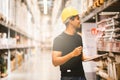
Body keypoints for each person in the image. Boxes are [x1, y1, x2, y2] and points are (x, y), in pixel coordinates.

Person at [52, 7, 89, 80]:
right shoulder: (59, 39)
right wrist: (72, 54)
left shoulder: (79, 37)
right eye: (77, 19)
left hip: (81, 76)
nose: (79, 21)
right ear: (70, 21)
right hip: (68, 77)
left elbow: (81, 57)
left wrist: (93, 58)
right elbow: (55, 62)